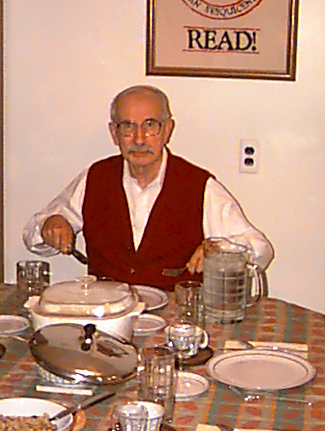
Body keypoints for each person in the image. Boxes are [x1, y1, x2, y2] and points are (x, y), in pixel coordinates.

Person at [23, 85, 273, 290]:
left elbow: (261, 249)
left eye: (150, 125)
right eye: (128, 126)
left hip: (176, 318)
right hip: (107, 315)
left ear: (167, 130)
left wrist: (220, 249)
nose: (139, 138)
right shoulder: (95, 177)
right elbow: (33, 236)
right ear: (114, 134)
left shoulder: (199, 185)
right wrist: (51, 226)